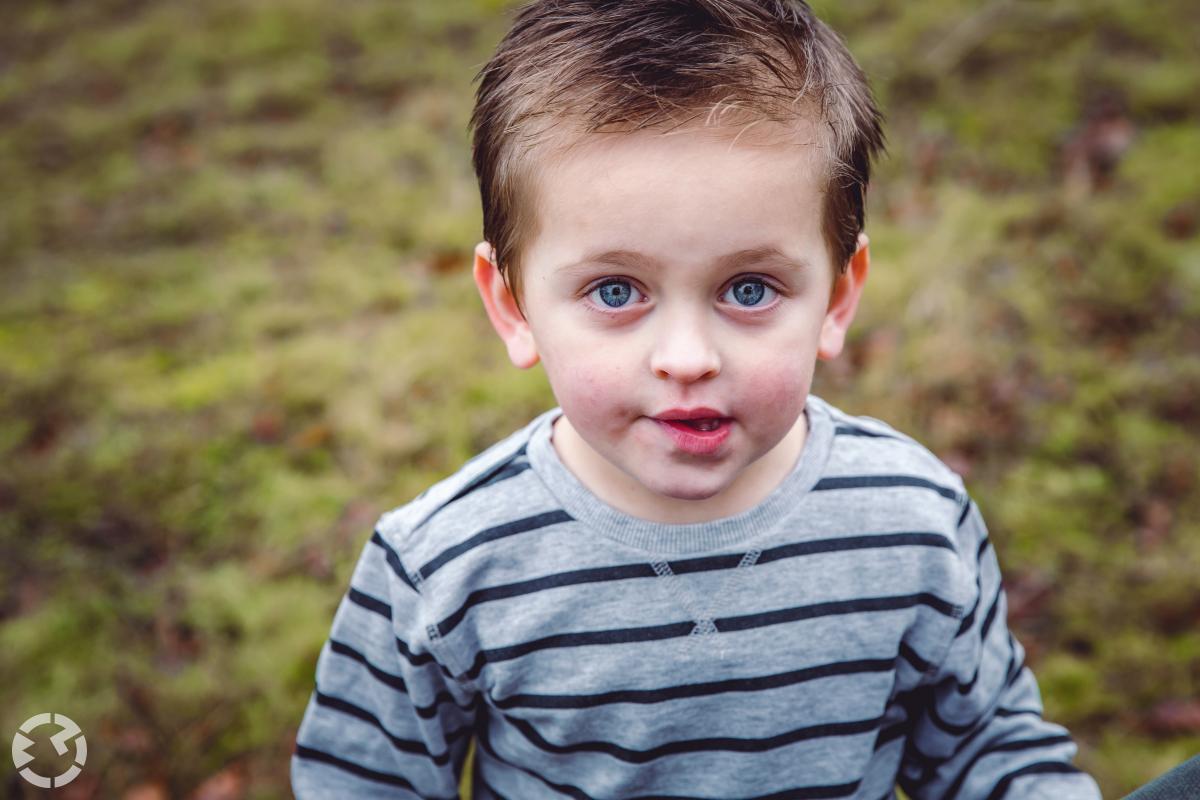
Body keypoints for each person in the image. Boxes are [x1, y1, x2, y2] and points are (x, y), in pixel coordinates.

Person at [291, 1, 1104, 797]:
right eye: (616, 292)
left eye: (748, 288)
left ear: (838, 296)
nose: (688, 359)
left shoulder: (915, 519)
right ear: (512, 306)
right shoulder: (446, 564)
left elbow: (984, 749)